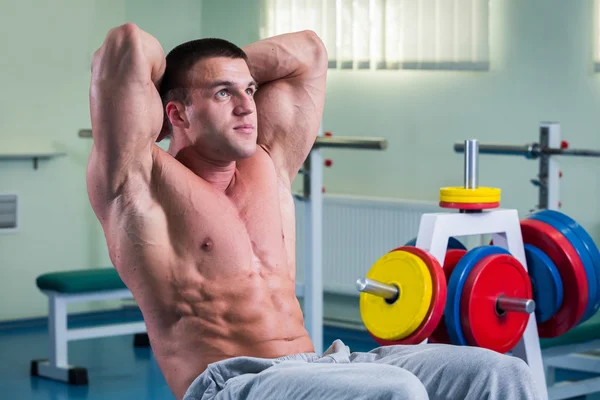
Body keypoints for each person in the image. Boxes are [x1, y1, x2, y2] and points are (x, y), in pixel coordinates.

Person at [87, 23, 543, 400]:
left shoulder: (269, 163)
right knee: (396, 390)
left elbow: (308, 51)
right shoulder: (139, 182)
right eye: (224, 93)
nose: (248, 106)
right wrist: (187, 72)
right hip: (234, 383)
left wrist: (220, 68)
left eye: (249, 88)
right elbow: (127, 44)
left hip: (325, 363)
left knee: (504, 374)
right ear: (177, 114)